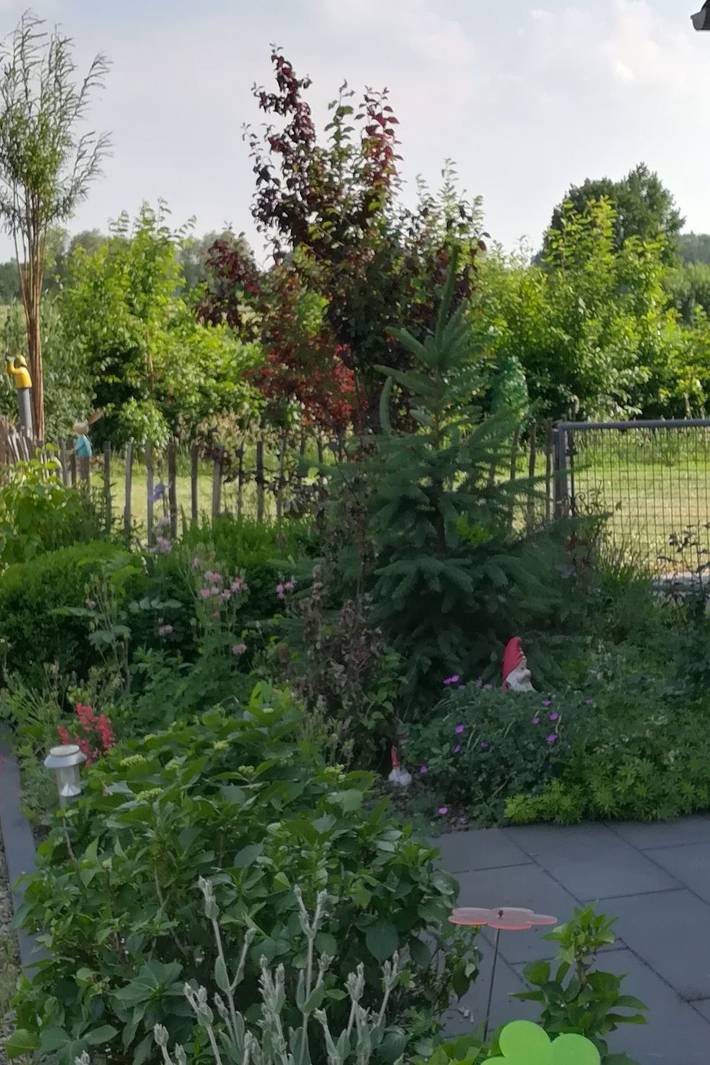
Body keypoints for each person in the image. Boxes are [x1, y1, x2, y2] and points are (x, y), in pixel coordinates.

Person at [5, 353, 33, 437]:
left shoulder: (22, 370)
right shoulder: (23, 370)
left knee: (25, 413)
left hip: (23, 389)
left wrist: (10, 361)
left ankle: (28, 434)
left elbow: (11, 371)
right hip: (22, 389)